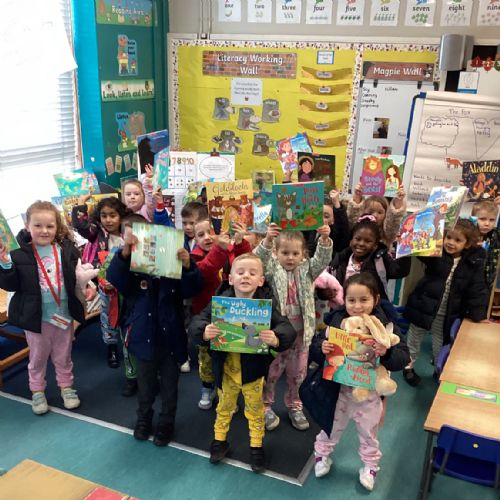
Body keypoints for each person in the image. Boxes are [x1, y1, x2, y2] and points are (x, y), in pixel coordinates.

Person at [188, 253, 296, 472]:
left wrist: (276, 337)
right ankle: (219, 441)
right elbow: (197, 321)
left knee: (255, 411)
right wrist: (204, 331)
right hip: (225, 370)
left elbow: (287, 328)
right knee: (224, 408)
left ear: (261, 280)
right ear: (230, 279)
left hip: (252, 372)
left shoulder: (265, 307)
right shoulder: (220, 304)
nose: (246, 276)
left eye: (252, 273)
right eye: (240, 272)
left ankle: (256, 447)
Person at [304, 272, 409, 491]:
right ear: (344, 300)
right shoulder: (335, 321)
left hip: (369, 393)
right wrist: (322, 349)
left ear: (376, 299)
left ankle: (370, 467)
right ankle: (321, 455)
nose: (358, 306)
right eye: (351, 300)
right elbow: (315, 349)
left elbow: (402, 357)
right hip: (337, 391)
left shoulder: (385, 325)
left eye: (364, 300)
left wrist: (386, 353)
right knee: (330, 426)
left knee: (369, 432)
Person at [106, 224, 202, 446]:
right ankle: (144, 418)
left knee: (169, 387)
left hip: (170, 340)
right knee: (146, 385)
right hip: (143, 339)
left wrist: (188, 266)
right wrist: (125, 254)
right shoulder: (134, 272)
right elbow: (115, 277)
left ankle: (167, 422)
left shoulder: (173, 273)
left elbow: (192, 288)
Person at [0, 201, 86, 414]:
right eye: (38, 225)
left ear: (57, 226)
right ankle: (37, 391)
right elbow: (10, 284)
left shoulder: (65, 249)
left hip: (63, 314)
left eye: (49, 226)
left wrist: (87, 288)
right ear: (27, 226)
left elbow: (75, 275)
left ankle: (66, 387)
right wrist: (5, 264)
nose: (44, 231)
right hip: (37, 318)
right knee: (38, 357)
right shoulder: (18, 254)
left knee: (63, 355)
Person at [254, 223, 332, 431]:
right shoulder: (272, 270)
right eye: (285, 253)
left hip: (301, 335)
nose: (290, 257)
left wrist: (324, 240)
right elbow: (258, 260)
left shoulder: (308, 270)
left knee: (298, 374)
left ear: (303, 254)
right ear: (276, 253)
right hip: (278, 336)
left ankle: (295, 405)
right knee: (271, 373)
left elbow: (322, 260)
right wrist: (267, 240)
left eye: (295, 253)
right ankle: (265, 405)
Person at [403, 219, 488, 386]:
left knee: (440, 344)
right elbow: (419, 249)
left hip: (446, 312)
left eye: (457, 240)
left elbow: (477, 290)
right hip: (424, 305)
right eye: (448, 237)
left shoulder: (472, 263)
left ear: (467, 244)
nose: (450, 243)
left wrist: (479, 315)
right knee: (414, 337)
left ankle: (439, 368)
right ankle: (408, 366)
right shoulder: (437, 253)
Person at [190, 219, 251, 410]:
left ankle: (226, 392)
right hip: (206, 318)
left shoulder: (229, 251)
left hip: (231, 315)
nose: (207, 237)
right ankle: (207, 387)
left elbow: (244, 265)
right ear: (194, 239)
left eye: (210, 232)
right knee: (206, 358)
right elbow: (205, 271)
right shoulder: (194, 258)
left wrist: (240, 243)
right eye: (201, 235)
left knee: (229, 358)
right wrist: (220, 249)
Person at [72, 196, 130, 369]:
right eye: (104, 216)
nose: (108, 220)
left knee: (128, 314)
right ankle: (111, 347)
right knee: (107, 316)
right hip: (105, 283)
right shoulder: (96, 232)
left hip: (127, 283)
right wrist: (80, 205)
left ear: (120, 216)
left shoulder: (128, 231)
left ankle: (129, 344)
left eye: (113, 215)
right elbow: (80, 225)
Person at [328, 216, 411, 305]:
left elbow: (399, 271)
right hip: (344, 308)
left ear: (375, 245)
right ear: (351, 240)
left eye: (368, 241)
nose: (361, 243)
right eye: (357, 239)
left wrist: (404, 247)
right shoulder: (341, 259)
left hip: (372, 310)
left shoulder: (380, 259)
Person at [348, 182, 406, 249]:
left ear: (386, 214)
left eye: (380, 212)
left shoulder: (387, 233)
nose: (375, 215)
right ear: (363, 211)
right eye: (370, 212)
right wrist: (357, 195)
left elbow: (393, 220)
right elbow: (353, 216)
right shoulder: (359, 226)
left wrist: (399, 200)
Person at [471, 200, 499, 291]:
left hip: (486, 282)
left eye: (492, 220)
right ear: (473, 218)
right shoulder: (467, 234)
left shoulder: (496, 235)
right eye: (482, 219)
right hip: (466, 279)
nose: (487, 224)